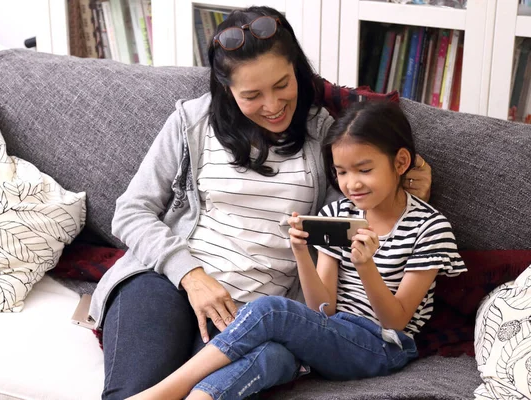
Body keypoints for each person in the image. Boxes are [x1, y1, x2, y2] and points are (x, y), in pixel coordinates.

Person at [90, 6, 432, 399]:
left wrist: (405, 186)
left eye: (282, 84)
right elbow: (131, 211)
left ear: (298, 72)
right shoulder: (192, 121)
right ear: (227, 89)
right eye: (252, 95)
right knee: (134, 391)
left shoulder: (326, 136)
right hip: (166, 282)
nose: (272, 105)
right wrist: (191, 275)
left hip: (250, 313)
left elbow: (359, 209)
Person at [128, 100, 466, 400]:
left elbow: (397, 321)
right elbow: (324, 306)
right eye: (342, 172)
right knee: (269, 357)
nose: (352, 184)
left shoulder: (429, 228)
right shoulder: (338, 215)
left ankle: (161, 393)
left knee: (269, 310)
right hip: (332, 334)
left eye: (365, 170)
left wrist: (366, 267)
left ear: (401, 162)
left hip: (381, 346)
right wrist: (302, 253)